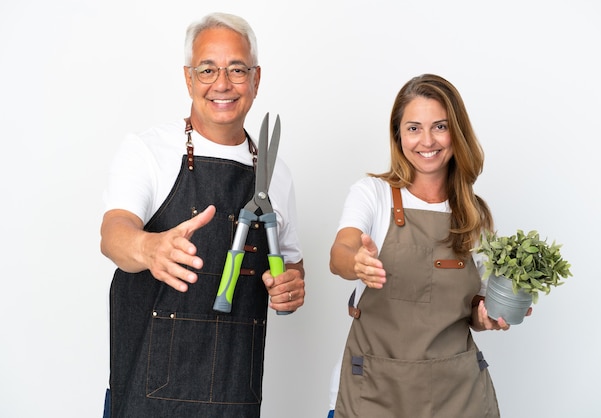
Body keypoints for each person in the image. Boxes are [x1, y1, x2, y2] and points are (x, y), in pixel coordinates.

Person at [100, 12, 305, 418]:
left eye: (237, 70)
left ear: (256, 79)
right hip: (145, 396)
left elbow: (294, 267)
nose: (222, 84)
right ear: (189, 79)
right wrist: (148, 247)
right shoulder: (148, 150)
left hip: (236, 398)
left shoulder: (275, 172)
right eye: (208, 69)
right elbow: (113, 235)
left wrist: (292, 288)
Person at [327, 74, 528, 418]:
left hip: (457, 395)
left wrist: (487, 316)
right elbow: (340, 252)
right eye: (413, 128)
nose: (426, 140)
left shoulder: (473, 214)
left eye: (439, 126)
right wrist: (356, 261)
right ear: (398, 135)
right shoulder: (372, 194)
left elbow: (474, 308)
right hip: (373, 391)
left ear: (457, 133)